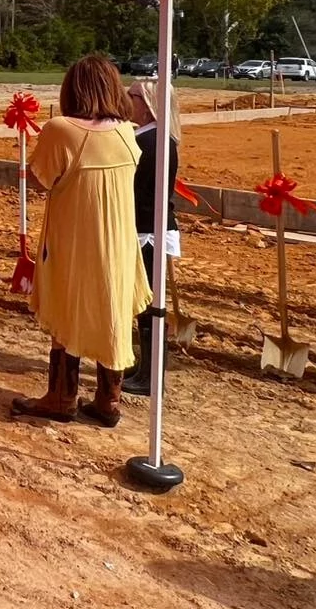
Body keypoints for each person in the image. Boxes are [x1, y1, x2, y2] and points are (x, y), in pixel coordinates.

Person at [11, 53, 150, 426]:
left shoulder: (61, 129)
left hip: (74, 239)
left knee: (66, 307)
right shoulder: (126, 131)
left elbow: (44, 177)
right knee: (112, 310)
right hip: (119, 242)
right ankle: (109, 399)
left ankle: (62, 397)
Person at [123, 78, 181, 396]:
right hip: (147, 225)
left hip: (147, 228)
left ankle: (151, 374)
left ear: (145, 101)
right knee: (146, 299)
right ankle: (146, 365)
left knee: (151, 301)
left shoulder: (152, 141)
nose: (126, 100)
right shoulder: (152, 137)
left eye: (130, 95)